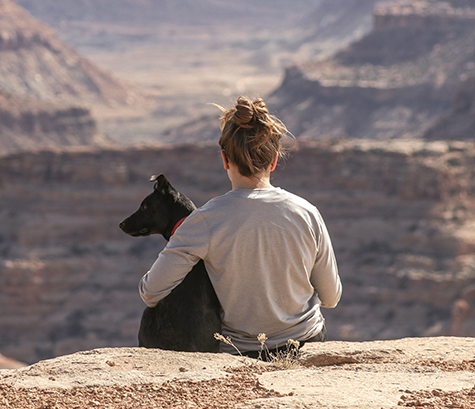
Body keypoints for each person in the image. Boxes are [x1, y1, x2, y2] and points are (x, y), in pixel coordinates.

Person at [138, 96, 342, 358]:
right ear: (274, 160)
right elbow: (331, 298)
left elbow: (150, 292)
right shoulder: (307, 213)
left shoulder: (203, 221)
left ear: (224, 159)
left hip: (242, 353)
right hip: (306, 345)